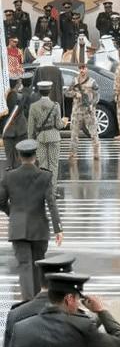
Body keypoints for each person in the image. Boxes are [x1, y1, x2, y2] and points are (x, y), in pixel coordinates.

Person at [0, 139, 63, 300]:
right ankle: (37, 302)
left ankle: (27, 303)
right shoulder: (45, 176)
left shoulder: (9, 176)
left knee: (24, 267)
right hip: (39, 228)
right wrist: (58, 229)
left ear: (20, 157)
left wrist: (13, 213)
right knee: (38, 266)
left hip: (18, 228)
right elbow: (51, 203)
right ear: (35, 156)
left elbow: (1, 202)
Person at [27, 80, 64, 197]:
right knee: (53, 165)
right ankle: (52, 192)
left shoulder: (33, 107)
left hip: (40, 138)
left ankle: (43, 191)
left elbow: (31, 127)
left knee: (42, 164)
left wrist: (30, 141)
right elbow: (58, 125)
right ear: (49, 91)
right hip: (54, 137)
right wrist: (64, 122)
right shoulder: (55, 105)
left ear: (39, 91)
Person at [65, 64, 100, 161]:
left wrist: (92, 104)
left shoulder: (92, 82)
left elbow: (97, 96)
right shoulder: (75, 81)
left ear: (87, 69)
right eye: (80, 68)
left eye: (84, 68)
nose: (82, 70)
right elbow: (67, 93)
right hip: (77, 111)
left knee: (93, 133)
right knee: (74, 133)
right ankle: (72, 153)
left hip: (88, 111)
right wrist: (75, 94)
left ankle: (96, 152)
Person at [1, 78, 28, 169]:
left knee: (10, 159)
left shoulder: (2, 100)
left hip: (7, 131)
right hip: (21, 130)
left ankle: (11, 174)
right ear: (16, 84)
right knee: (21, 157)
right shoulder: (22, 97)